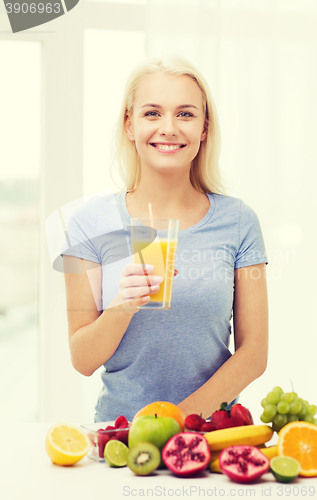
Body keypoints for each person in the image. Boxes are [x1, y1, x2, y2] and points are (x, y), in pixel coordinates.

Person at [62, 56, 268, 423]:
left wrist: (175, 419)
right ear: (129, 124)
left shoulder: (238, 222)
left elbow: (253, 353)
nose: (169, 128)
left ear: (204, 127)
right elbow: (82, 359)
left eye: (186, 114)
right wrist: (124, 304)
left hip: (211, 432)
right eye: (152, 113)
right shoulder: (89, 224)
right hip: (121, 436)